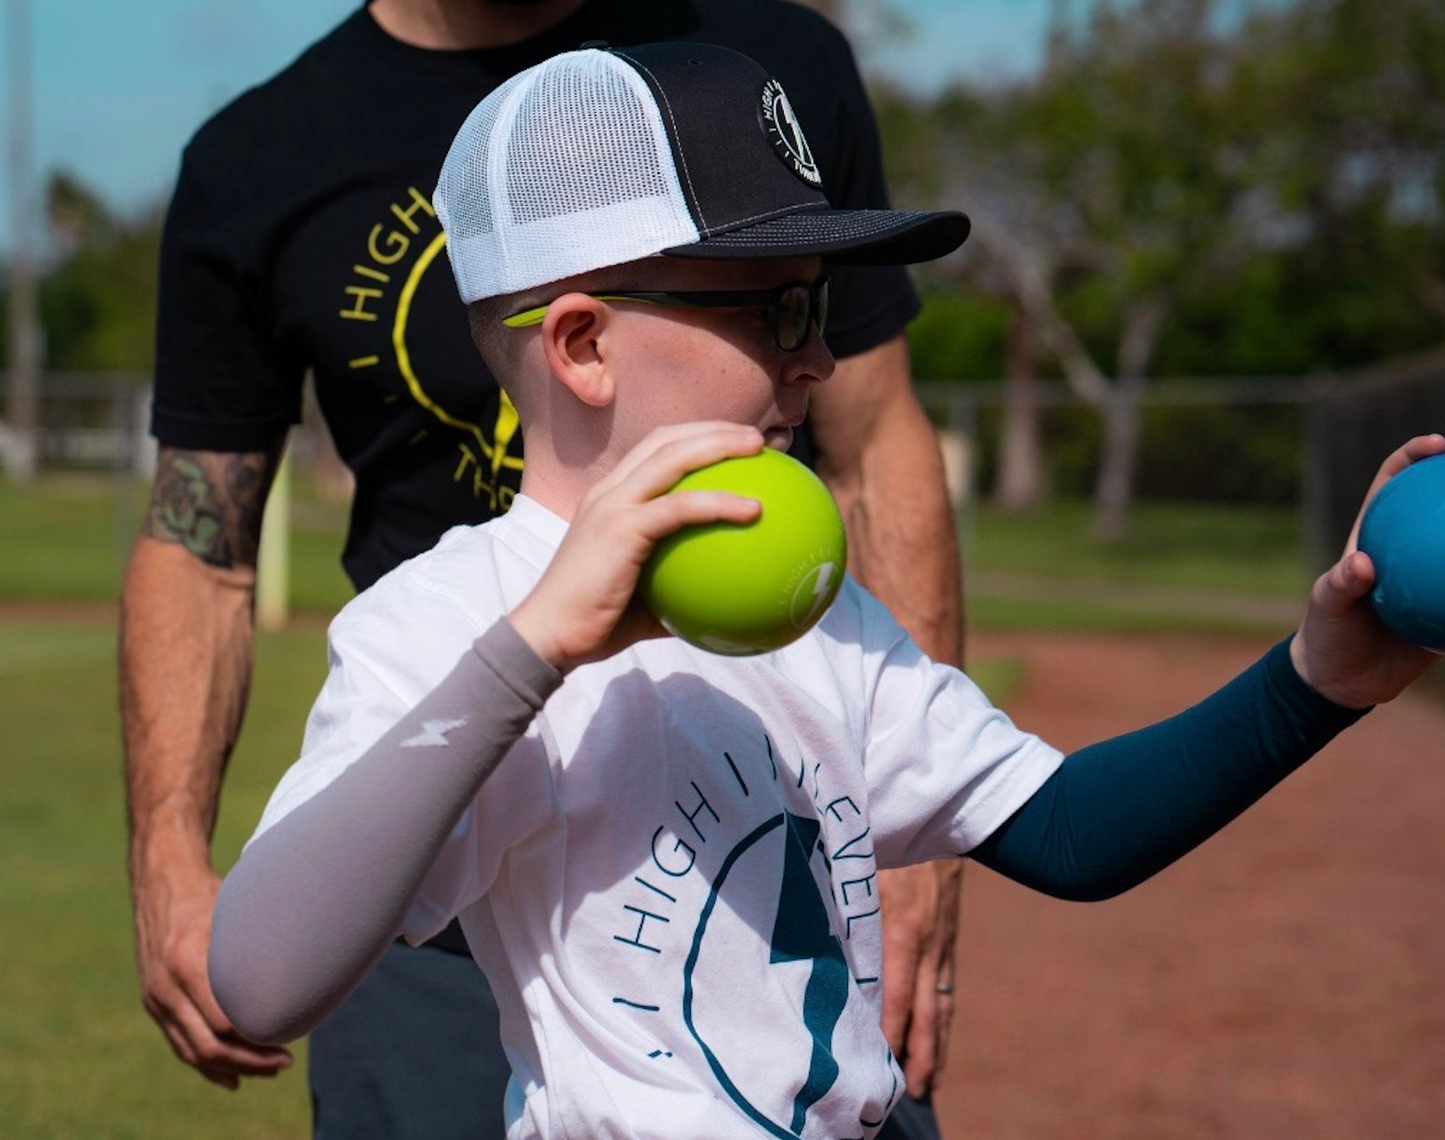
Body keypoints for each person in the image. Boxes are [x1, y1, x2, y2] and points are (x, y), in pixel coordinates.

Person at [207, 40, 1442, 1140]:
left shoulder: (814, 604)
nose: (818, 353)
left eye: (822, 304)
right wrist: (531, 651)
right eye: (774, 309)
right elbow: (263, 979)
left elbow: (1068, 832)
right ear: (582, 343)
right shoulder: (450, 619)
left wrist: (1312, 683)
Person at [121, 1, 960, 1137]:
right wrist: (170, 850)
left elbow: (872, 442)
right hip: (423, 850)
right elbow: (200, 538)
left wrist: (916, 857)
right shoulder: (259, 155)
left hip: (748, 821)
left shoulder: (761, 66)